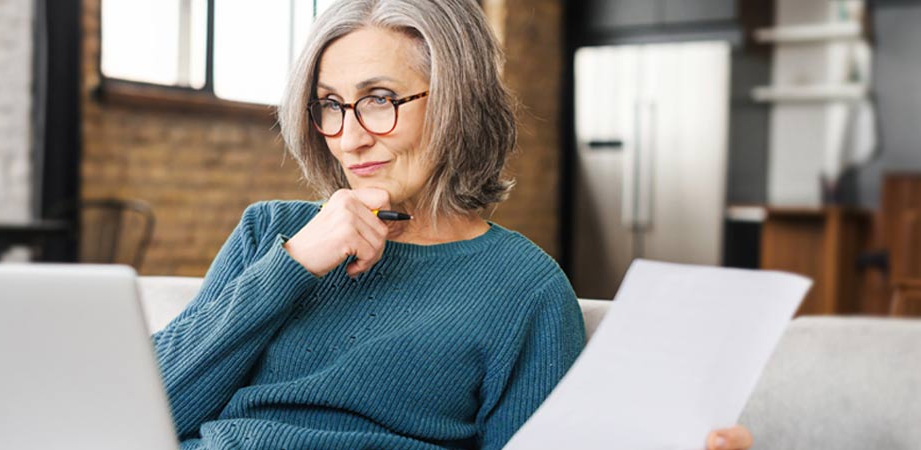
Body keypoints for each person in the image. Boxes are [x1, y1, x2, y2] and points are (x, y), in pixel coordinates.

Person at [153, 0, 754, 449]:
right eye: (329, 104)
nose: (350, 135)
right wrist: (292, 266)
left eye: (379, 99)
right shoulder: (272, 236)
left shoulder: (523, 289)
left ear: (455, 102)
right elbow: (146, 413)